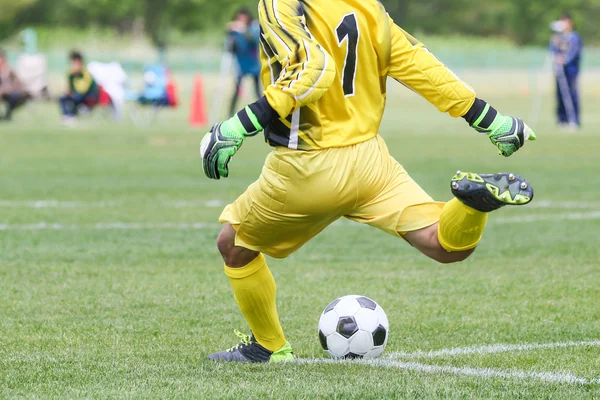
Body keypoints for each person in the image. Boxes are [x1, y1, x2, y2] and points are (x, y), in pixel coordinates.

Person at [200, 0, 536, 363]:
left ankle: (269, 347)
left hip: (309, 167)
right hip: (371, 160)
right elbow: (417, 63)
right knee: (445, 244)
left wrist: (237, 126)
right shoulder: (366, 5)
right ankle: (471, 205)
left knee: (233, 244)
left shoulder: (281, 3)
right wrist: (489, 119)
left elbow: (313, 70)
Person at [550, 13, 582, 129]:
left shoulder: (574, 37)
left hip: (571, 70)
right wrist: (555, 39)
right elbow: (553, 50)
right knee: (559, 94)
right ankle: (562, 119)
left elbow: (573, 53)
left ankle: (574, 120)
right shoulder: (558, 37)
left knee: (571, 94)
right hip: (559, 70)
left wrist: (564, 59)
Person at [227, 7, 262, 115]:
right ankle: (230, 113)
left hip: (253, 63)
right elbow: (231, 48)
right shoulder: (235, 31)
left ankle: (263, 112)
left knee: (257, 92)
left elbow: (253, 41)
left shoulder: (253, 28)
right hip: (241, 65)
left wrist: (243, 30)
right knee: (236, 91)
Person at [58, 51, 99, 123]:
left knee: (75, 97)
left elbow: (83, 90)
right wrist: (67, 92)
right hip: (76, 94)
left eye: (76, 63)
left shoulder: (86, 73)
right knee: (62, 98)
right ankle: (66, 116)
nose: (74, 65)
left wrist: (72, 94)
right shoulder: (70, 74)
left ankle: (74, 114)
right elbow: (69, 87)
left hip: (88, 95)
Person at [0, 49, 29, 121]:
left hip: (10, 93)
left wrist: (5, 90)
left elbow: (18, 84)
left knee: (15, 96)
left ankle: (7, 114)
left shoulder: (9, 70)